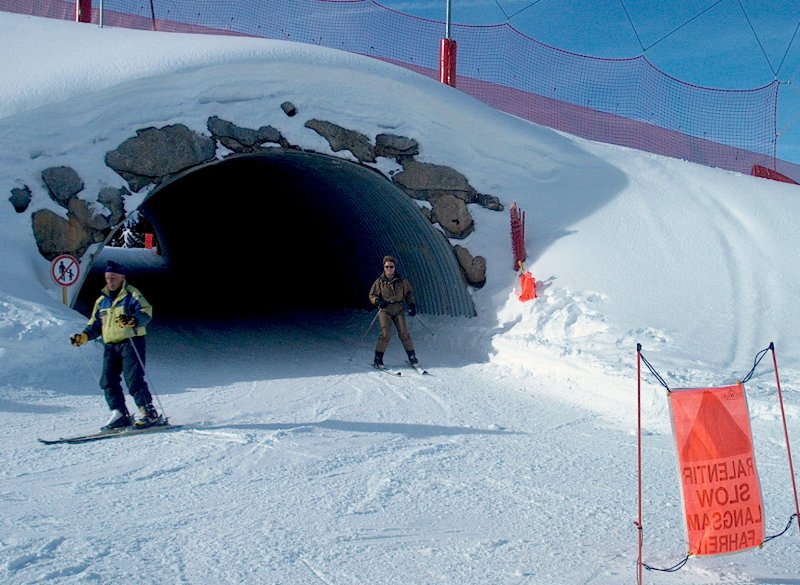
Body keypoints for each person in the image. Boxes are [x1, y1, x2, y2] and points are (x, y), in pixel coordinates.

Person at [70, 260, 162, 430]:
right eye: (107, 278)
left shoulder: (132, 295)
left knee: (133, 378)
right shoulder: (101, 301)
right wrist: (83, 336)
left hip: (131, 342)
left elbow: (146, 313)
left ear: (122, 277)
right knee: (107, 380)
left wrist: (132, 320)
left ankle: (148, 412)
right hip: (111, 345)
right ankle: (119, 413)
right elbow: (95, 324)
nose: (110, 281)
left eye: (113, 278)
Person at [368, 255, 419, 367]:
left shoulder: (402, 281)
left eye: (391, 266)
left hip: (398, 309)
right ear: (384, 267)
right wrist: (378, 301)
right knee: (385, 334)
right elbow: (372, 295)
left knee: (404, 333)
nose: (389, 269)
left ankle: (412, 356)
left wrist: (411, 305)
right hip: (385, 310)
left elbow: (409, 293)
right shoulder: (379, 282)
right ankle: (378, 358)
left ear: (394, 268)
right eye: (387, 267)